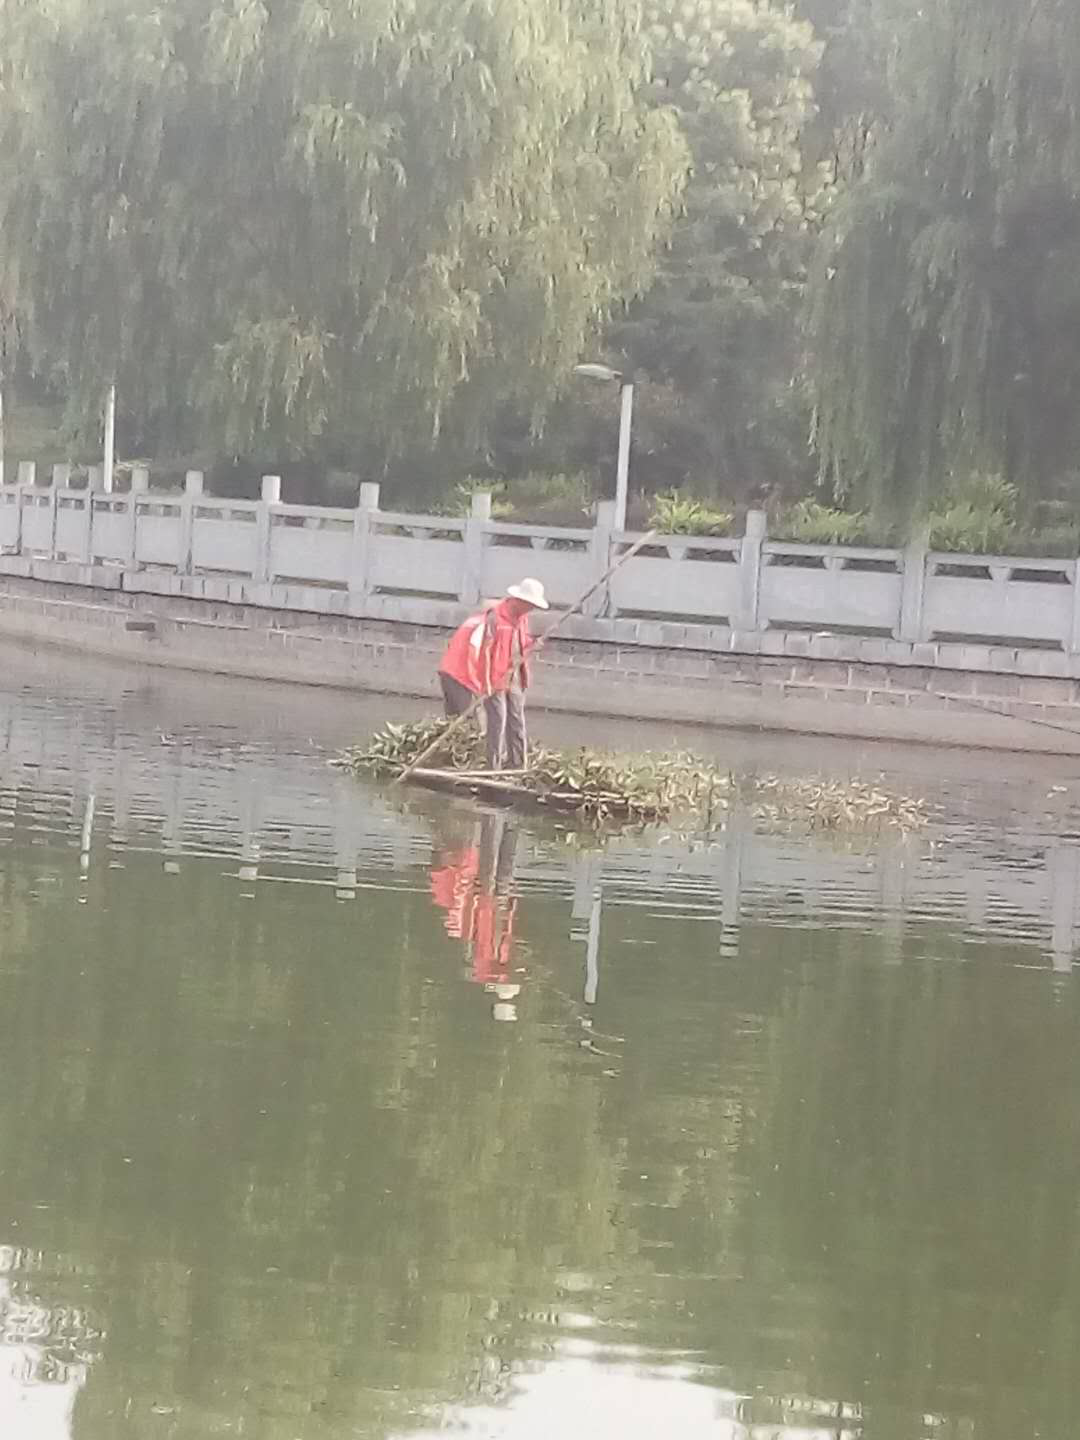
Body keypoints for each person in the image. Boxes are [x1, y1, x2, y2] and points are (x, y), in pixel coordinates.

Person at [437, 578, 548, 770]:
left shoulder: (522, 618)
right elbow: (484, 652)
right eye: (529, 604)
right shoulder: (494, 618)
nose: (531, 609)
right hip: (495, 676)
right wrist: (487, 684)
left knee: (517, 719)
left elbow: (519, 644)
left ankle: (517, 764)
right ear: (519, 600)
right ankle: (493, 767)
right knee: (497, 721)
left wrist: (532, 645)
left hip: (514, 674)